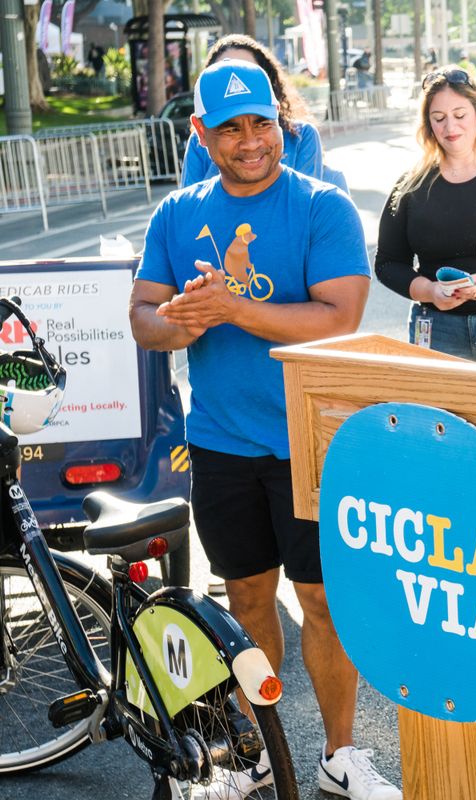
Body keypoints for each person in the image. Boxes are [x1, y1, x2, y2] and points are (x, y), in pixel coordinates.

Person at [129, 60, 401, 800]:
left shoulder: (322, 206)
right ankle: (256, 754)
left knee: (323, 603)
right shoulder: (176, 213)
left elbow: (338, 318)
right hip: (221, 444)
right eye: (231, 129)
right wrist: (184, 319)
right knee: (247, 603)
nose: (251, 141)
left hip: (313, 441)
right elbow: (144, 318)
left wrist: (232, 308)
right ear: (200, 133)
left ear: (281, 119)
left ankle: (340, 755)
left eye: (262, 123)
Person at [375, 67, 476, 363]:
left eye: (460, 115)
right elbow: (387, 263)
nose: (450, 127)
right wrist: (429, 291)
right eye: (439, 118)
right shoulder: (410, 186)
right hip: (436, 327)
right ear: (428, 124)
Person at [182, 35, 338, 190]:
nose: (250, 144)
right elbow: (192, 201)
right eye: (222, 73)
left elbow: (303, 199)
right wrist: (222, 158)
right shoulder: (198, 144)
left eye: (245, 71)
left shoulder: (301, 136)